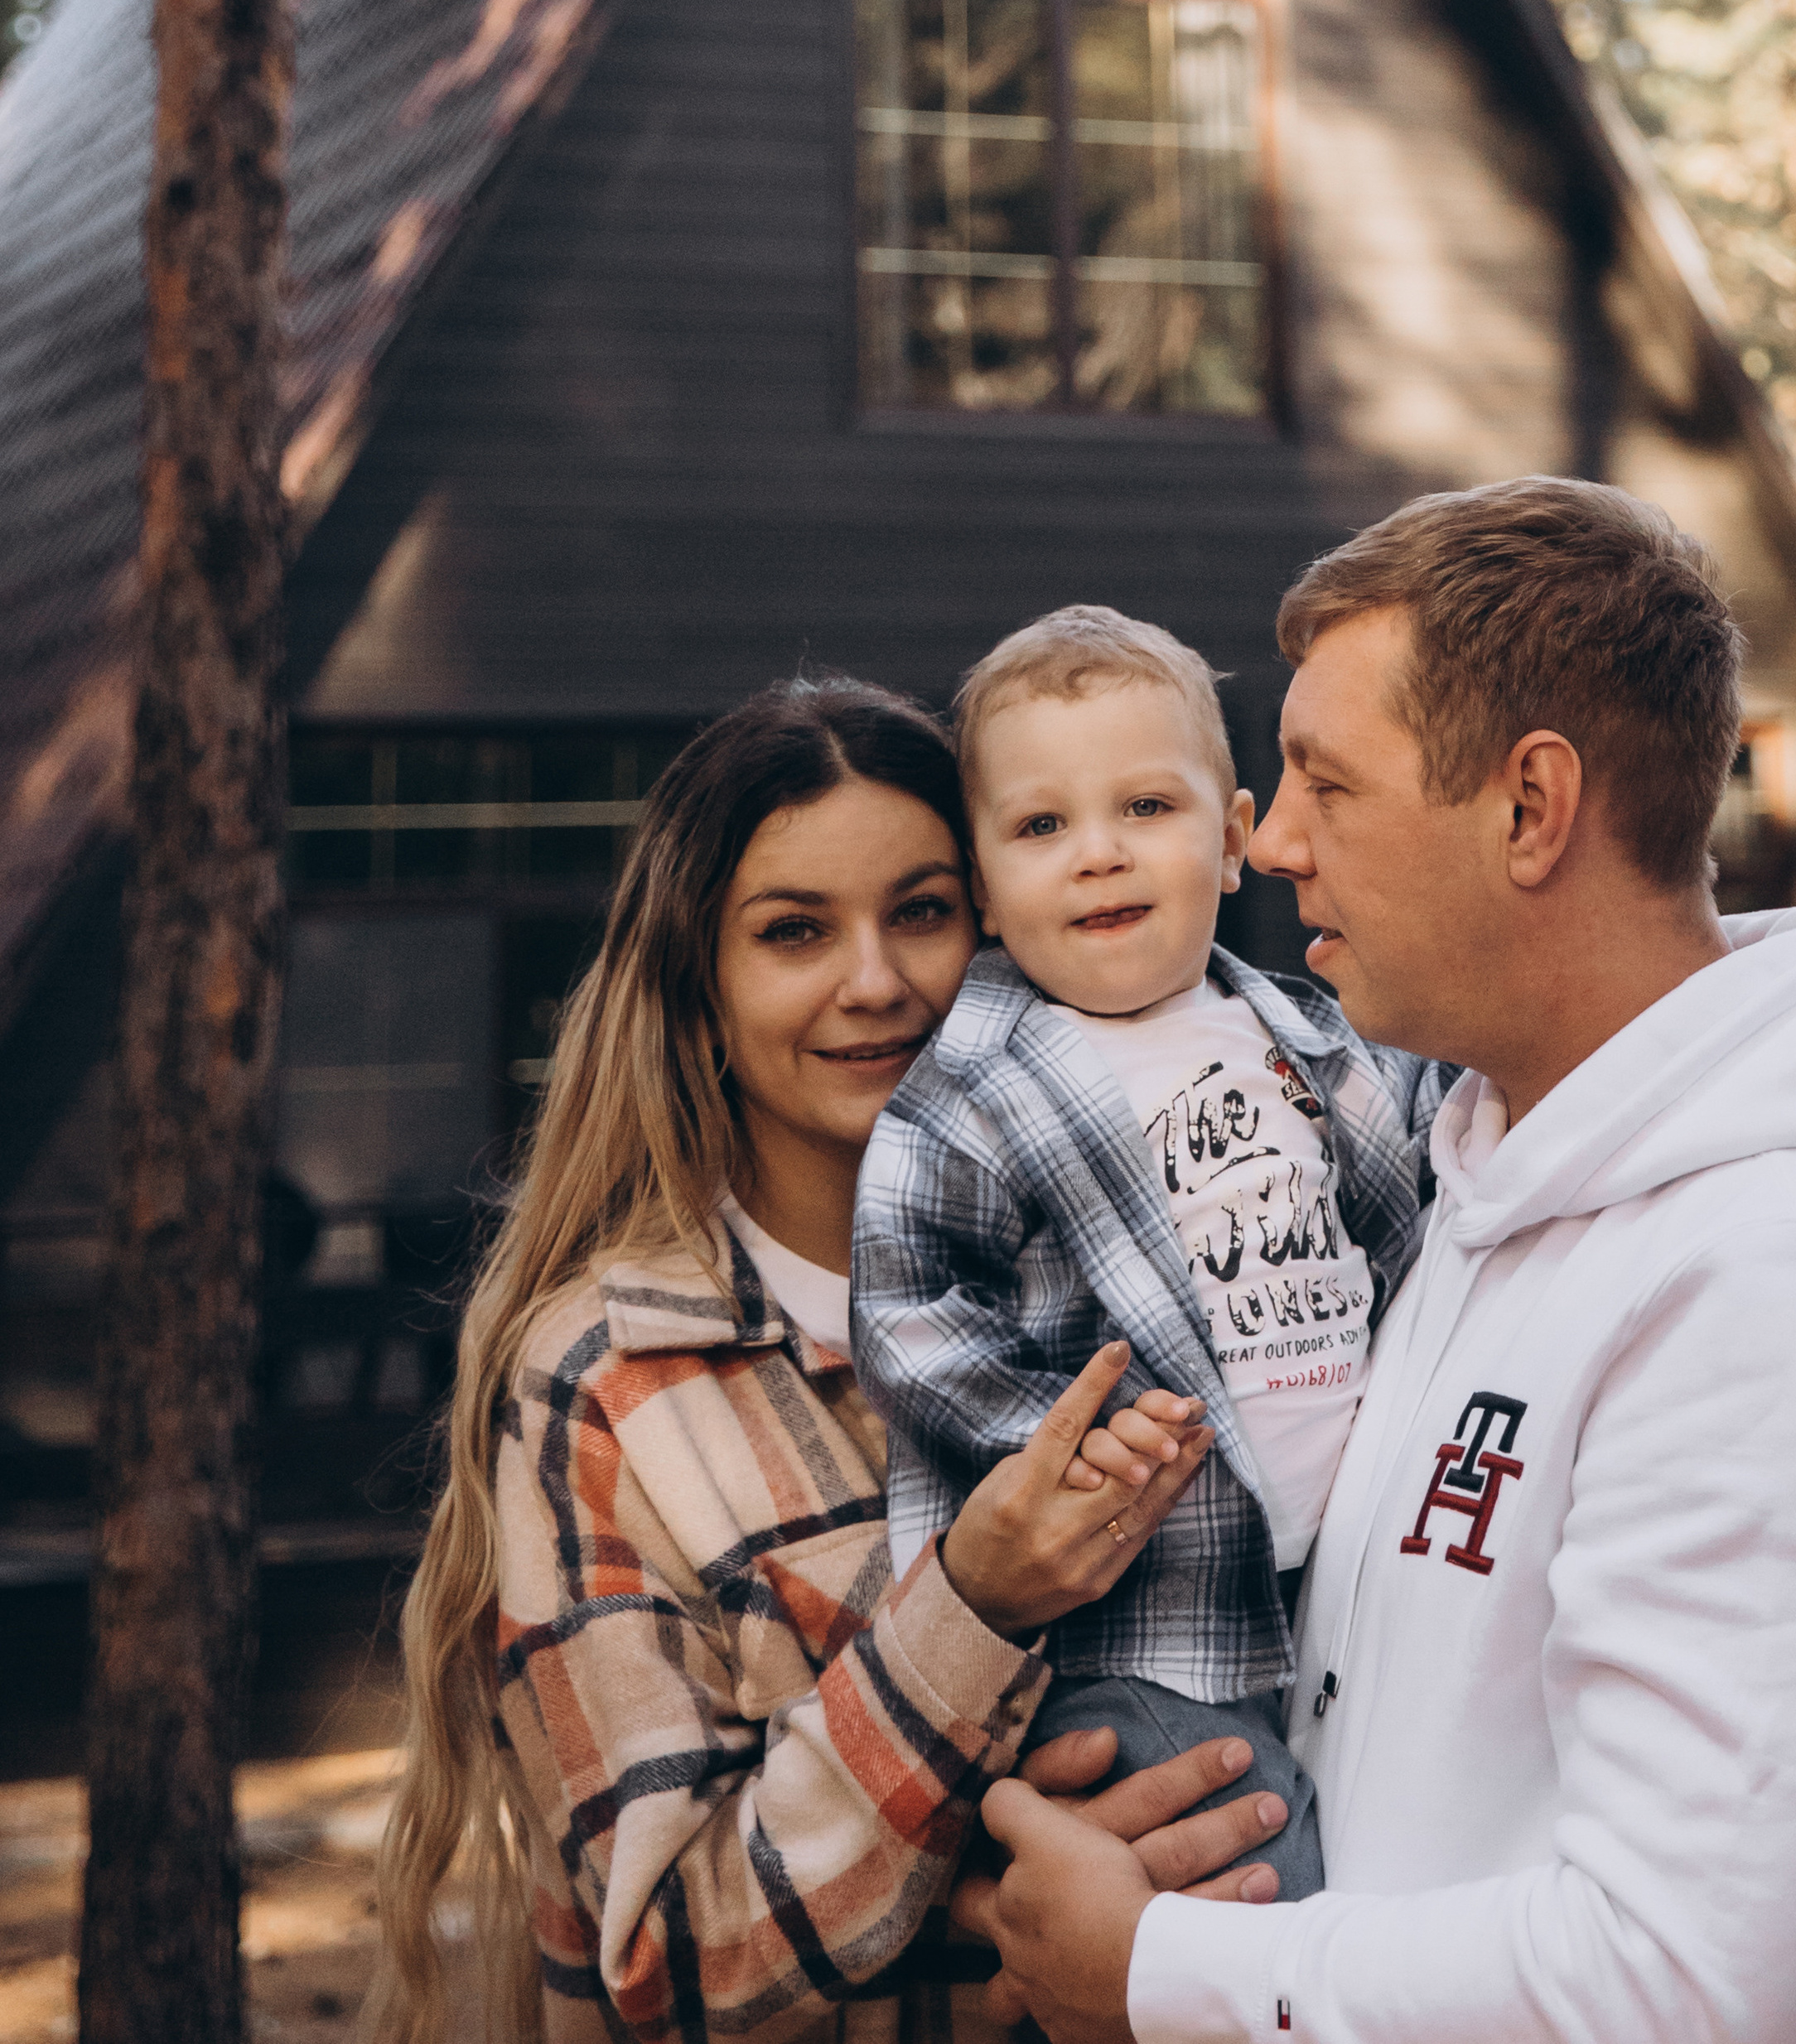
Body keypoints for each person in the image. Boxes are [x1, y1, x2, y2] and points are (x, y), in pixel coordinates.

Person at [967, 480, 1796, 2044]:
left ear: (1531, 808)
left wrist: (1163, 1977)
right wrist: (1172, 1841)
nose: (1272, 842)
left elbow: (1674, 1983)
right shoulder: (1479, 1174)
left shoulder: (1784, 1283)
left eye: (1326, 781)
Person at [366, 676, 1291, 2044]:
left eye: (922, 911)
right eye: (796, 932)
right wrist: (970, 1623)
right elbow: (654, 1964)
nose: (878, 983)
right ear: (701, 991)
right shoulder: (612, 1383)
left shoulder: (1187, 1260)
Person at [851, 609, 1450, 1904]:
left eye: (1144, 807)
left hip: (1341, 1589)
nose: (1098, 856)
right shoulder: (974, 1092)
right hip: (1140, 1626)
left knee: (1404, 1852)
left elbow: (1423, 1210)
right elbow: (911, 1308)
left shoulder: (1315, 1043)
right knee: (1264, 1870)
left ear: (1234, 838)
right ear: (987, 883)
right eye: (1041, 828)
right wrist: (1059, 1437)